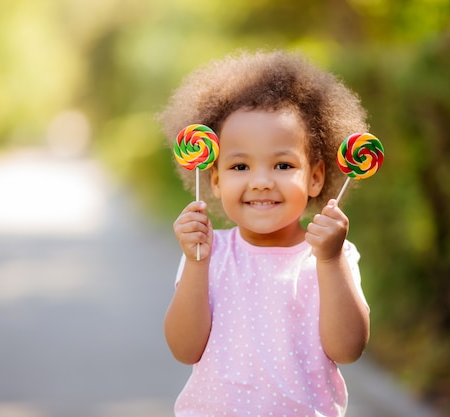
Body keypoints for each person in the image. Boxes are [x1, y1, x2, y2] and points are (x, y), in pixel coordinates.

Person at [159, 50, 371, 417]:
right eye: (240, 165)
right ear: (216, 179)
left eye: (283, 164)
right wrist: (196, 263)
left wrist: (331, 260)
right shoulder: (208, 253)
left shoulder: (330, 255)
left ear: (315, 177)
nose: (260, 182)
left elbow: (348, 349)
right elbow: (184, 349)